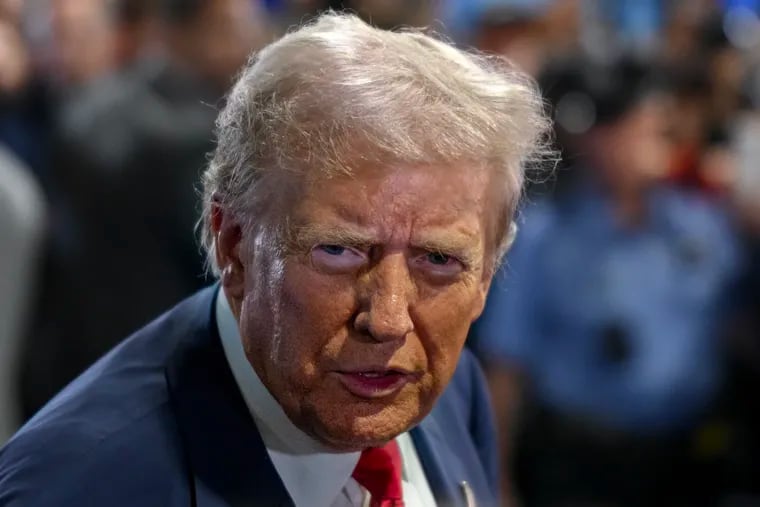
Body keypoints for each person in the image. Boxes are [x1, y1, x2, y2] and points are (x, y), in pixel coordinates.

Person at [0, 12, 549, 507]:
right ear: (233, 244)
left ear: (487, 274)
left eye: (438, 259)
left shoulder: (453, 392)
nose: (387, 321)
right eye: (339, 250)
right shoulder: (71, 488)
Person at [473, 58, 739, 507]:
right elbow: (505, 369)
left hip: (690, 461)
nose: (662, 136)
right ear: (602, 137)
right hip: (582, 465)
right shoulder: (544, 236)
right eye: (647, 125)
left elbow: (737, 323)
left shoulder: (702, 225)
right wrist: (498, 480)